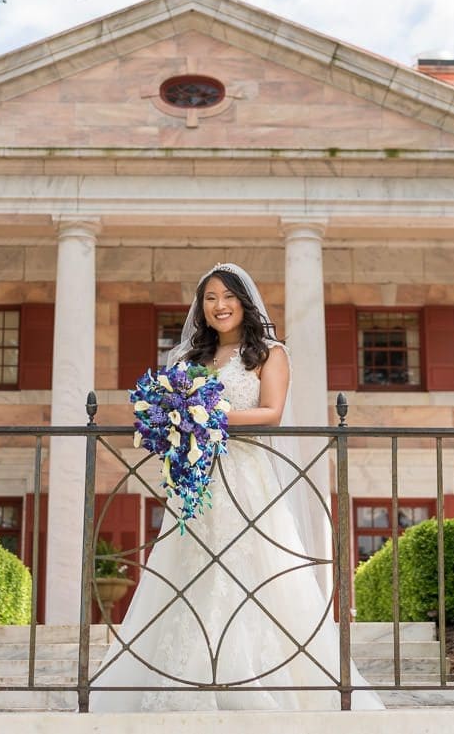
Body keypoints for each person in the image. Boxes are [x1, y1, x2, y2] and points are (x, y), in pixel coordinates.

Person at [90, 263, 385, 711]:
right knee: (189, 570)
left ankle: (259, 681)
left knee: (254, 567)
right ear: (201, 307)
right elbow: (174, 414)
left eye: (227, 297)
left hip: (248, 478)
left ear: (244, 304)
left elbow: (272, 412)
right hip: (197, 479)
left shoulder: (270, 354)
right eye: (210, 298)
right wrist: (176, 417)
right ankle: (185, 677)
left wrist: (208, 414)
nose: (219, 306)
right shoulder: (190, 362)